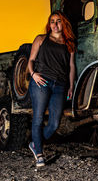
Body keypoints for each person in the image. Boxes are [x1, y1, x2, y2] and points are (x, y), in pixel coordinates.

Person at [27, 10, 76, 167]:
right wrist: (33, 74)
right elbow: (31, 60)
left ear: (63, 24)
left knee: (54, 123)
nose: (55, 24)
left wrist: (71, 85)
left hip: (60, 85)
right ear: (49, 24)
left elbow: (71, 66)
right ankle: (40, 154)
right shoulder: (41, 39)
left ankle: (35, 144)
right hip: (41, 82)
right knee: (39, 118)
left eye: (58, 21)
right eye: (52, 21)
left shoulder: (69, 44)